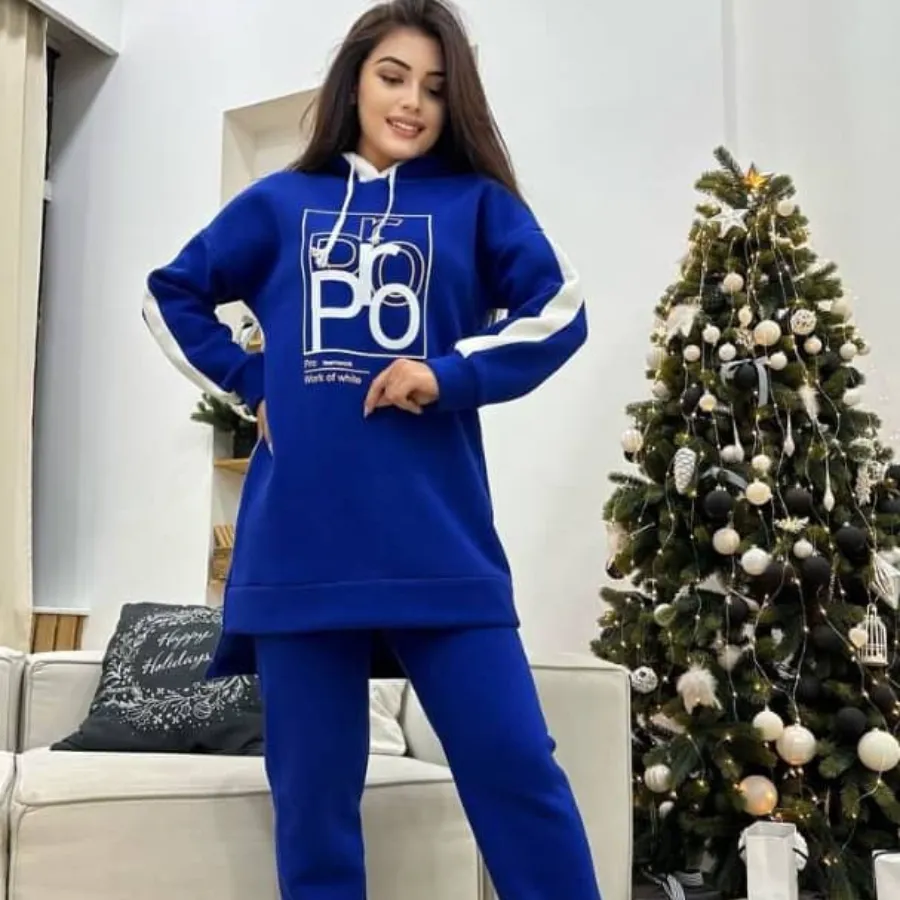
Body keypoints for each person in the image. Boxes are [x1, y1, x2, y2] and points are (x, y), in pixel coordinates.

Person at [142, 0, 600, 897]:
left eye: (435, 87)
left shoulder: (476, 205)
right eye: (393, 77)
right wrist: (251, 380)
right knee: (313, 808)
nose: (412, 102)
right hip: (299, 548)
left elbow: (560, 309)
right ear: (354, 82)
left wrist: (448, 374)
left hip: (440, 544)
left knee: (518, 772)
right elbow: (171, 293)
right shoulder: (281, 203)